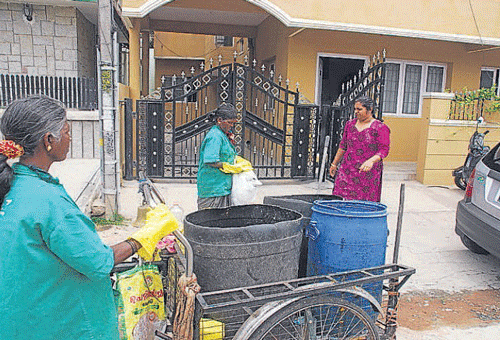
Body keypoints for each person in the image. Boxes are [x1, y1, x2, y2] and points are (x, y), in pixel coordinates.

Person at [0, 96, 174, 340]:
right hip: (62, 326)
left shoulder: (14, 186)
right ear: (48, 141)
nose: (70, 138)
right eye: (66, 131)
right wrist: (144, 236)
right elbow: (100, 261)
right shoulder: (47, 201)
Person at [329, 96, 390, 202]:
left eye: (359, 109)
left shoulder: (380, 128)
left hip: (367, 172)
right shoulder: (350, 124)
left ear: (370, 109)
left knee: (363, 203)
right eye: (355, 109)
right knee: (340, 198)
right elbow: (343, 146)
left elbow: (384, 150)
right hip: (347, 169)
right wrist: (334, 164)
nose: (356, 112)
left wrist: (371, 161)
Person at [197, 103, 242, 210]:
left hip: (222, 187)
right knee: (209, 221)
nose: (232, 126)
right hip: (213, 189)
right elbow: (210, 161)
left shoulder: (223, 134)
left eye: (234, 123)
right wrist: (228, 166)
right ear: (219, 120)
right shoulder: (215, 137)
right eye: (230, 123)